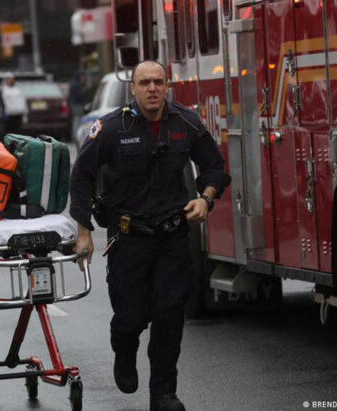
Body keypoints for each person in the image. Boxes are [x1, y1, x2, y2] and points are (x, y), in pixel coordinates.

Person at [69, 60, 231, 411]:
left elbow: (216, 167)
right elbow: (81, 176)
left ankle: (163, 394)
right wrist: (83, 232)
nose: (152, 88)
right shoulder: (112, 127)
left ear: (168, 85)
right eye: (145, 83)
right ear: (134, 88)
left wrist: (206, 198)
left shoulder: (185, 122)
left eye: (159, 82)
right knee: (131, 318)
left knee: (169, 315)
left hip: (172, 237)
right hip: (128, 239)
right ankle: (124, 352)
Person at [68, 71, 87, 139]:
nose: (83, 78)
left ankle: (75, 135)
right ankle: (76, 136)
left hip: (75, 105)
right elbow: (79, 95)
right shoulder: (77, 85)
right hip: (77, 105)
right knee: (77, 120)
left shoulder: (74, 84)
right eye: (82, 77)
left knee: (76, 120)